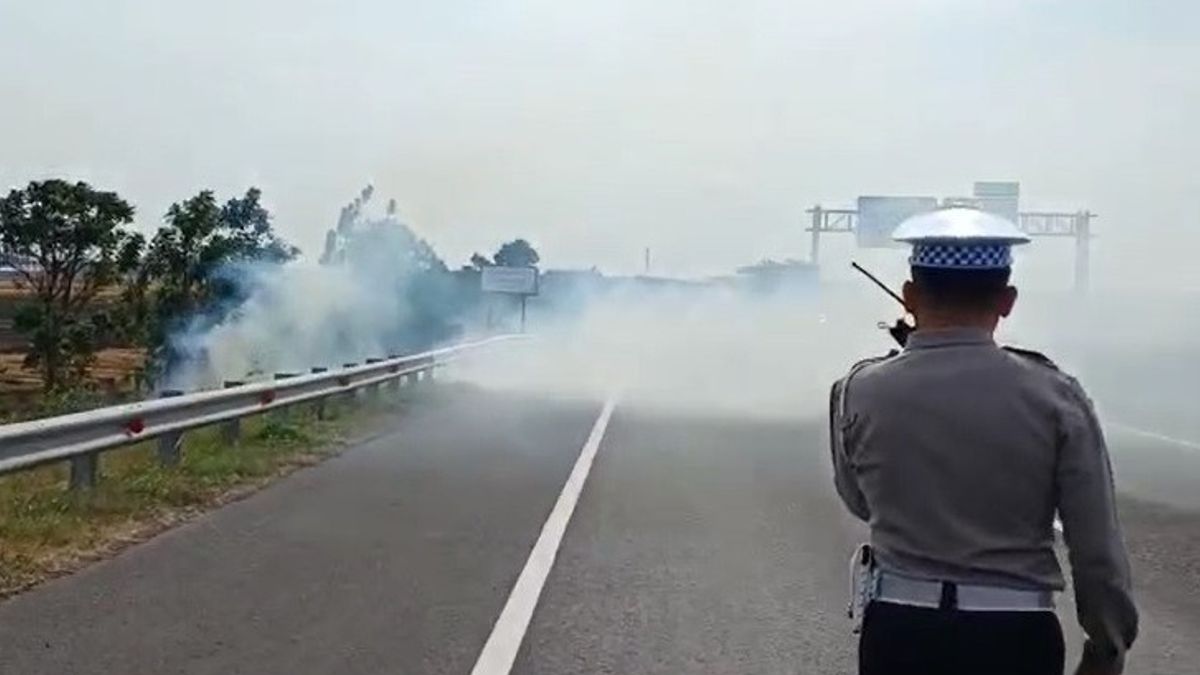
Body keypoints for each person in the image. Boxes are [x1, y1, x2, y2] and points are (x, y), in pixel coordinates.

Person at [830, 206, 1138, 675]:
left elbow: (860, 502)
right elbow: (1096, 546)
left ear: (910, 295)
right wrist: (1107, 645)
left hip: (899, 631)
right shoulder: (1056, 396)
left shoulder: (859, 389)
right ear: (1007, 300)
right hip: (1015, 638)